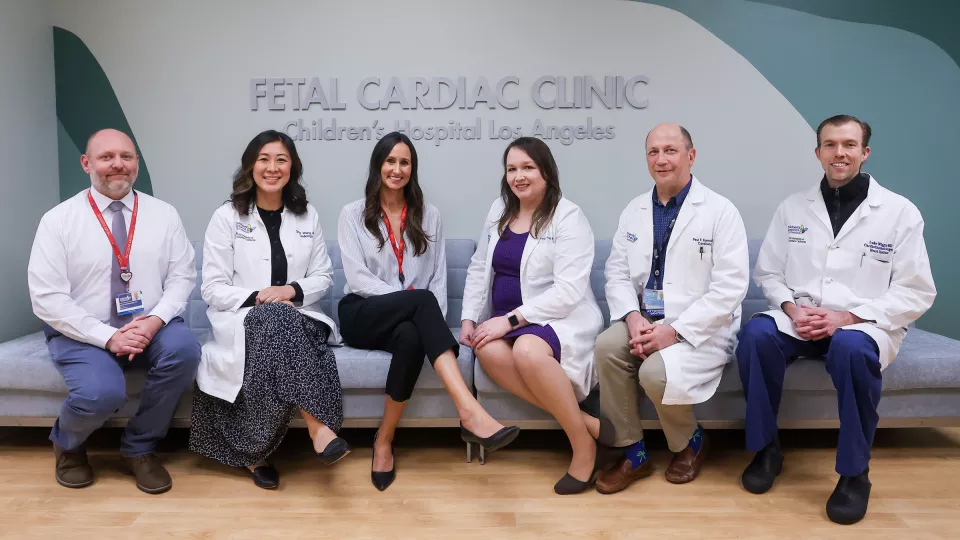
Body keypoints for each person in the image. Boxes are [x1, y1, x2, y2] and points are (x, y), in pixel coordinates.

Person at [736, 115, 936, 524]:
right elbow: (768, 274)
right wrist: (791, 308)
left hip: (862, 324)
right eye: (830, 145)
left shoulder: (899, 213)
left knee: (849, 345)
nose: (839, 152)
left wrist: (847, 316)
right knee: (756, 334)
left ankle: (854, 473)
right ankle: (766, 447)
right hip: (802, 317)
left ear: (865, 152)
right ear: (818, 153)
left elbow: (917, 291)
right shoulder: (793, 207)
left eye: (848, 144)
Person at [337, 131, 519, 491]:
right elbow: (358, 279)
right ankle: (469, 410)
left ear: (412, 169)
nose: (397, 168)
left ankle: (383, 441)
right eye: (390, 161)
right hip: (361, 313)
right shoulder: (353, 214)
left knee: (410, 336)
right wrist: (407, 302)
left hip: (407, 320)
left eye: (405, 162)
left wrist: (413, 309)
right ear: (378, 166)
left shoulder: (429, 215)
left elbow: (436, 279)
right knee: (418, 300)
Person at [27, 128, 200, 494]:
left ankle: (139, 447)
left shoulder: (163, 214)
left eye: (126, 156)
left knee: (184, 350)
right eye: (106, 157)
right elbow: (46, 298)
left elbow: (183, 275)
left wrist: (154, 321)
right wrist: (108, 335)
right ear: (86, 163)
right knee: (101, 392)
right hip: (82, 330)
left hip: (149, 322)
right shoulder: (58, 221)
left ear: (136, 162)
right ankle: (68, 445)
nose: (117, 165)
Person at [593, 123, 749, 494]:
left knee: (654, 373)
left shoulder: (720, 211)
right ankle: (632, 450)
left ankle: (690, 442)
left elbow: (730, 288)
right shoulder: (634, 210)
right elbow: (616, 271)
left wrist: (674, 331)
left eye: (670, 150)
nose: (661, 159)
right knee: (606, 347)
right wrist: (632, 317)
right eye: (653, 152)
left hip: (699, 325)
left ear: (690, 156)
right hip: (644, 316)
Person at [190, 130, 348, 489]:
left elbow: (323, 276)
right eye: (264, 159)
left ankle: (255, 450)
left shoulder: (307, 216)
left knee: (279, 318)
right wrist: (262, 296)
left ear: (292, 168)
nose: (272, 167)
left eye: (281, 159)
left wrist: (290, 290)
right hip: (242, 319)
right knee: (271, 317)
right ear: (250, 165)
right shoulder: (226, 217)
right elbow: (212, 288)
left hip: (301, 317)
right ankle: (318, 426)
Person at [461, 136, 604, 495]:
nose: (518, 176)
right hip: (510, 320)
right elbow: (480, 267)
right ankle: (587, 421)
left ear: (546, 172)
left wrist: (509, 320)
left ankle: (583, 447)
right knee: (487, 349)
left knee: (526, 349)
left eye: (527, 168)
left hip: (559, 317)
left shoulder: (568, 216)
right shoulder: (499, 210)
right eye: (512, 169)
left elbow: (568, 291)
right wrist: (468, 318)